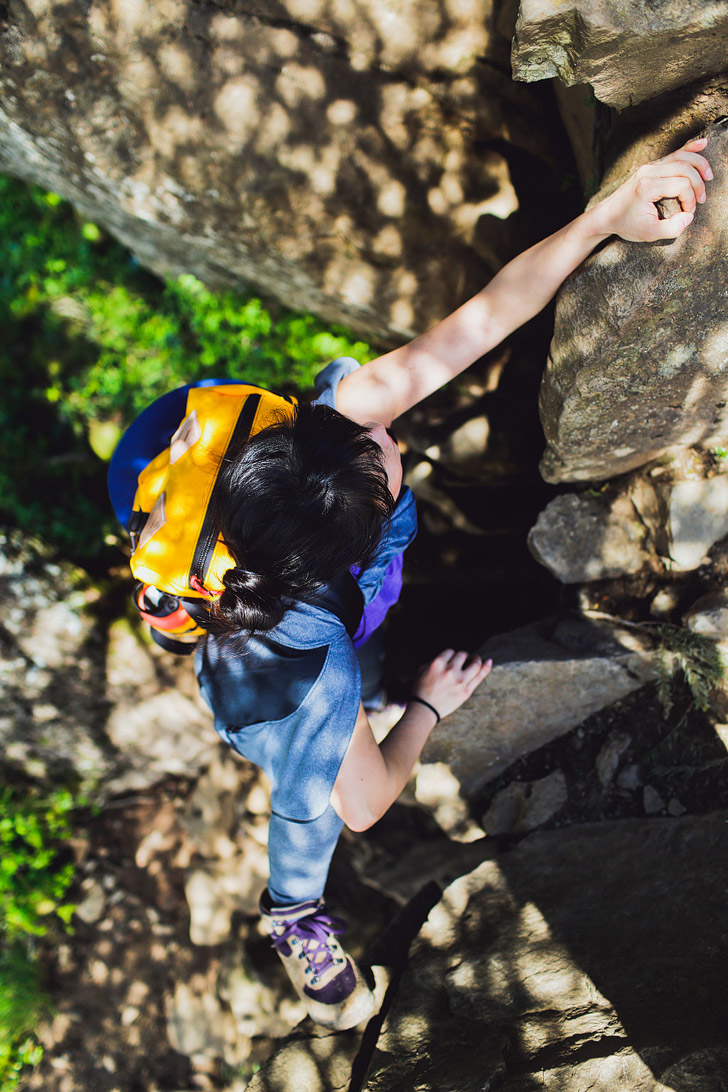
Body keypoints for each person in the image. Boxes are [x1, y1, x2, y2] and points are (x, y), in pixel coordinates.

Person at [109, 139, 712, 1031]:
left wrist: (603, 218)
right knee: (309, 798)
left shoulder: (336, 426)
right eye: (389, 464)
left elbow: (483, 320)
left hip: (253, 565)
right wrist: (427, 708)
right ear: (350, 551)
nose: (393, 438)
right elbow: (361, 807)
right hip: (281, 670)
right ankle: (292, 917)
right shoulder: (312, 670)